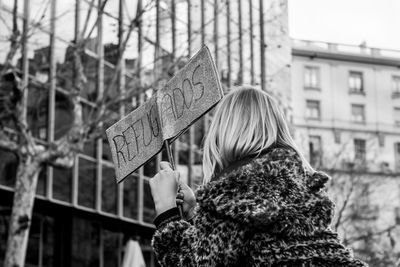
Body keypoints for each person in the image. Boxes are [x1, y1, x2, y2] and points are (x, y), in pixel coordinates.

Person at [149, 86, 367, 266]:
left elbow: (193, 262)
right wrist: (196, 214)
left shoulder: (236, 191)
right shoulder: (297, 185)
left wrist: (166, 212)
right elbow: (251, 241)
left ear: (224, 130)